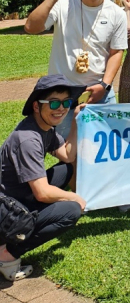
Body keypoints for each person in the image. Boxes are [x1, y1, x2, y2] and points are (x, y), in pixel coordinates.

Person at [24, 0, 127, 137]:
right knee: (66, 152)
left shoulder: (117, 13)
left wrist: (104, 85)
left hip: (99, 94)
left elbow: (116, 52)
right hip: (62, 96)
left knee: (103, 150)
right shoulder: (63, 4)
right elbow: (31, 27)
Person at [0, 75, 86, 281]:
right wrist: (75, 198)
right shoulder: (28, 139)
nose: (61, 108)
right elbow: (42, 192)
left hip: (17, 197)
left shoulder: (43, 128)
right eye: (54, 102)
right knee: (71, 210)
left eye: (66, 102)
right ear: (37, 106)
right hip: (5, 211)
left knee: (67, 169)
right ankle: (6, 255)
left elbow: (67, 156)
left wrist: (74, 122)